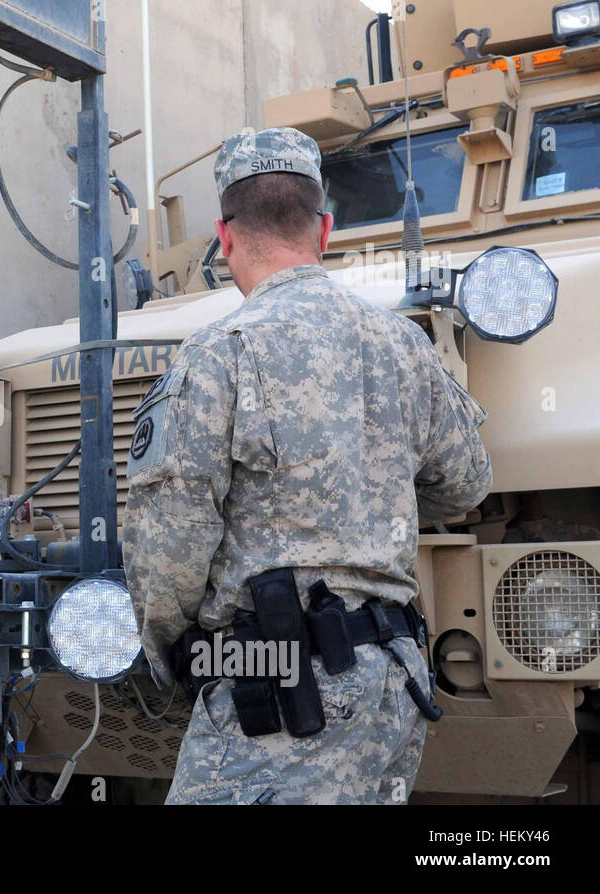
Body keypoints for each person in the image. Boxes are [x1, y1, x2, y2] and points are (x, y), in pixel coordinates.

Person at [123, 127, 492, 805]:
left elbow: (168, 548)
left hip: (279, 689)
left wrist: (176, 655)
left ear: (224, 236)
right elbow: (467, 482)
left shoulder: (218, 354)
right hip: (394, 683)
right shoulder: (403, 344)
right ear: (323, 228)